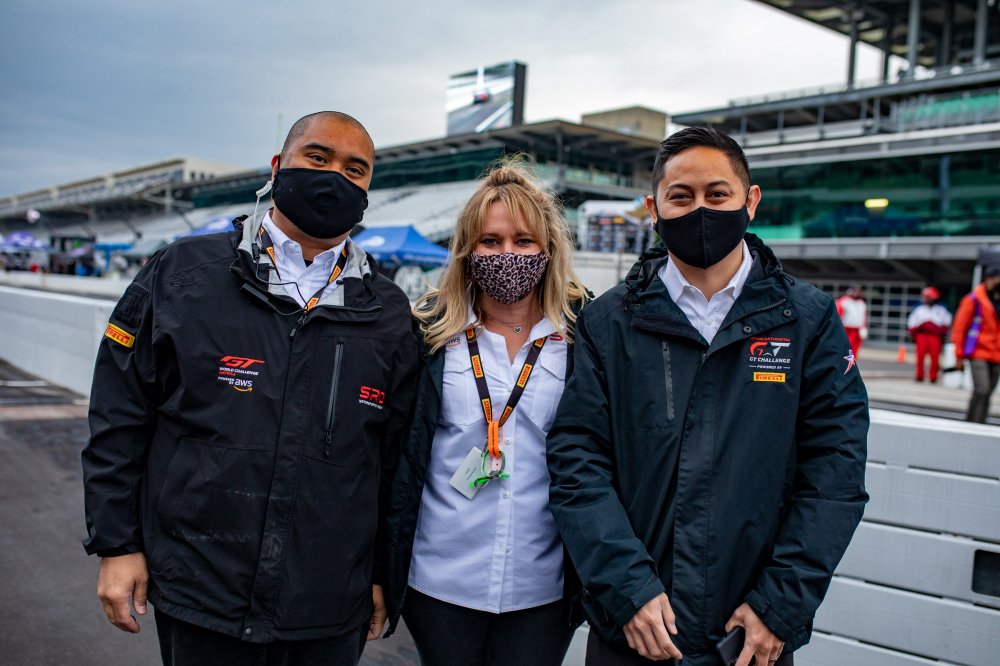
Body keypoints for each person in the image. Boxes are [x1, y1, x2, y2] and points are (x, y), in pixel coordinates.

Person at [81, 111, 420, 666]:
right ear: (278, 166)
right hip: (201, 591)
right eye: (318, 157)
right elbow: (121, 415)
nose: (334, 176)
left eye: (354, 169)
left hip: (329, 603)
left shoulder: (388, 311)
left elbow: (392, 460)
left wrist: (383, 573)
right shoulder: (181, 274)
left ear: (367, 189)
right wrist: (117, 544)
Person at [547, 127, 869, 666]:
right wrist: (628, 589)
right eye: (681, 196)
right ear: (654, 209)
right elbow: (577, 462)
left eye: (717, 194)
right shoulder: (608, 321)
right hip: (632, 631)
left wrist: (778, 607)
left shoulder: (807, 319)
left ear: (751, 200)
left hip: (749, 638)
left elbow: (835, 472)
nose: (700, 210)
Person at [383, 161, 589, 666]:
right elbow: (395, 452)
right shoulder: (428, 332)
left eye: (523, 241)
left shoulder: (583, 336)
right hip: (440, 579)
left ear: (549, 247)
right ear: (467, 250)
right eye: (490, 241)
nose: (507, 254)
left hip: (542, 585)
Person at [952, 266, 1000, 423]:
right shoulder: (973, 299)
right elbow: (959, 328)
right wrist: (959, 355)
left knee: (988, 393)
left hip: (997, 354)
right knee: (982, 389)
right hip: (978, 352)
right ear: (989, 279)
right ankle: (973, 422)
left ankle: (979, 422)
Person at [907, 286, 952, 383]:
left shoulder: (941, 310)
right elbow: (912, 323)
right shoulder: (919, 310)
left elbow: (947, 322)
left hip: (935, 336)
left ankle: (933, 377)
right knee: (920, 357)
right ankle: (919, 376)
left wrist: (942, 333)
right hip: (921, 336)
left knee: (935, 357)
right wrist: (912, 334)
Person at [836, 284, 867, 360]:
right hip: (847, 329)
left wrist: (863, 327)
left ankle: (852, 363)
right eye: (856, 291)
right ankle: (843, 362)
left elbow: (863, 316)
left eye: (859, 292)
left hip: (858, 329)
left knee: (855, 348)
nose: (858, 293)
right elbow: (837, 316)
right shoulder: (844, 301)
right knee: (846, 348)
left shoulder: (862, 303)